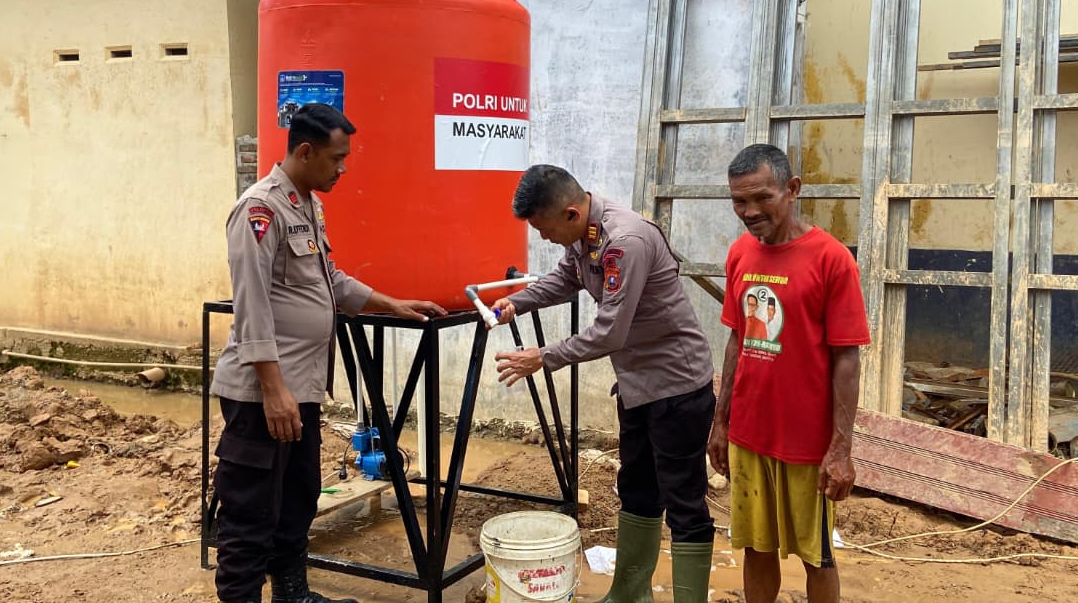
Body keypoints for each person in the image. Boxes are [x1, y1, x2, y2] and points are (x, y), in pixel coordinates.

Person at [210, 103, 446, 603]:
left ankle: (292, 593)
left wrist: (392, 303)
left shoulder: (307, 204)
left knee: (298, 498)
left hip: (302, 388)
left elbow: (329, 280)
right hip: (262, 395)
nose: (344, 169)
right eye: (337, 158)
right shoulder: (259, 210)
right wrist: (274, 390)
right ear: (305, 150)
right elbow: (251, 306)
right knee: (251, 511)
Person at [489, 164, 716, 603]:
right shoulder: (585, 234)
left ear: (571, 214)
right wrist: (516, 303)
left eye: (543, 227)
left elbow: (611, 332)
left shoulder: (623, 242)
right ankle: (630, 593)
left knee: (684, 502)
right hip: (637, 386)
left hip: (677, 386)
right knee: (638, 489)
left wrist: (543, 356)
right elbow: (565, 279)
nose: (541, 237)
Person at [708, 144, 870, 603]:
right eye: (740, 201)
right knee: (756, 549)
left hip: (806, 445)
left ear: (793, 189)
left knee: (816, 555)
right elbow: (738, 340)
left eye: (762, 198)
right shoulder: (740, 254)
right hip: (750, 435)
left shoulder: (832, 259)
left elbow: (847, 359)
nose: (750, 211)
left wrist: (841, 449)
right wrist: (721, 424)